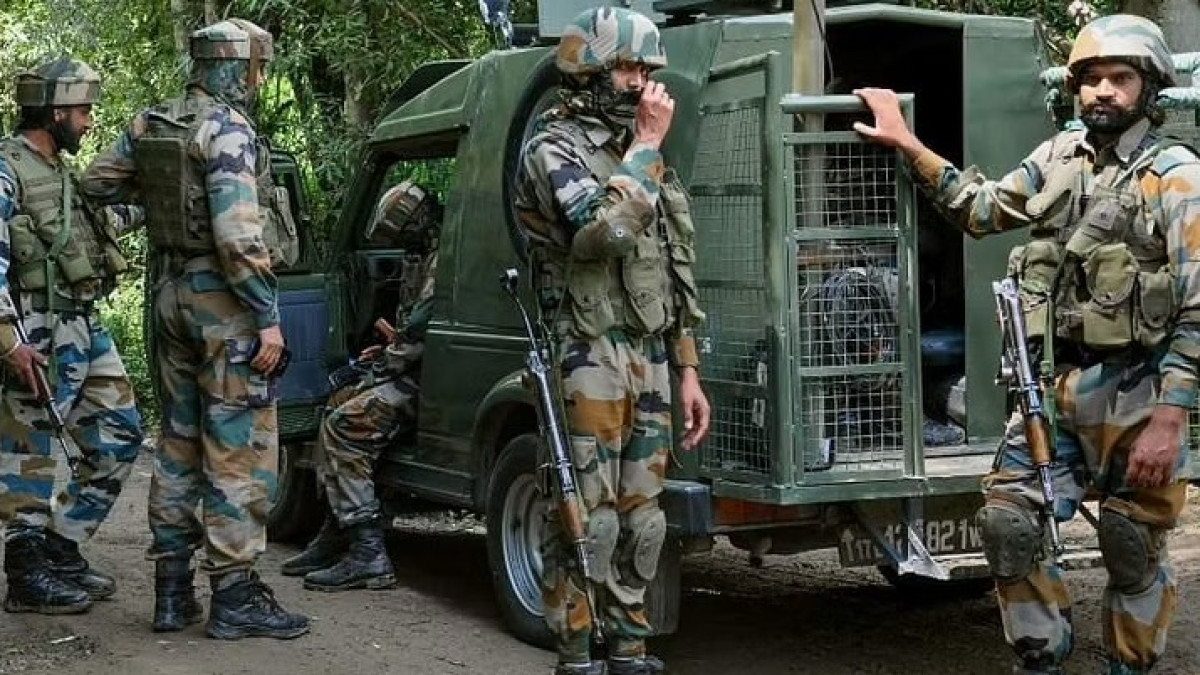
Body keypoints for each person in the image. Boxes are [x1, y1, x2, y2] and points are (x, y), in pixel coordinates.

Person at [855, 14, 1198, 675]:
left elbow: (1198, 306)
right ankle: (1040, 656)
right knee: (1007, 523)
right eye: (1090, 79)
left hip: (1141, 393)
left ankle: (1130, 665)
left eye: (1119, 78)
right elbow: (981, 209)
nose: (1102, 91)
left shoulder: (1176, 177)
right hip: (1054, 388)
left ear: (1149, 88)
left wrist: (1170, 417)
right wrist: (906, 141)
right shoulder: (1059, 157)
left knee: (1130, 543)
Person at [81, 19, 306, 639]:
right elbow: (238, 237)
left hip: (168, 297)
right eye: (256, 68)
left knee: (178, 441)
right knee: (237, 445)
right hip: (224, 307)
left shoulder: (152, 123)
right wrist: (267, 318)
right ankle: (235, 595)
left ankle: (173, 592)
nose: (258, 79)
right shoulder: (227, 129)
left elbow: (95, 183)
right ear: (236, 67)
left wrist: (158, 210)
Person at [513, 7, 711, 675]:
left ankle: (629, 648)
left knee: (643, 518)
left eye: (646, 70)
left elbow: (672, 262)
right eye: (628, 68)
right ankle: (576, 654)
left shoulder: (640, 154)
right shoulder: (552, 149)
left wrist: (686, 368)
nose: (642, 82)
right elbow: (602, 234)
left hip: (648, 354)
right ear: (588, 72)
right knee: (585, 517)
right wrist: (646, 147)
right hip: (586, 353)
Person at [0, 57, 143, 616]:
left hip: (82, 323)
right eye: (83, 111)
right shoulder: (7, 167)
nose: (88, 121)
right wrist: (9, 341)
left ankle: (60, 547)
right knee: (29, 449)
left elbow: (93, 229)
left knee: (120, 434)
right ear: (55, 112)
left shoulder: (60, 172)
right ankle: (25, 571)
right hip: (33, 329)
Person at [280, 180, 442, 592]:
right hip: (413, 368)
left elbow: (420, 333)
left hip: (432, 380)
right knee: (335, 402)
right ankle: (338, 529)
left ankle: (368, 553)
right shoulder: (421, 256)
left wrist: (382, 366)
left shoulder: (443, 260)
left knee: (344, 426)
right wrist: (384, 352)